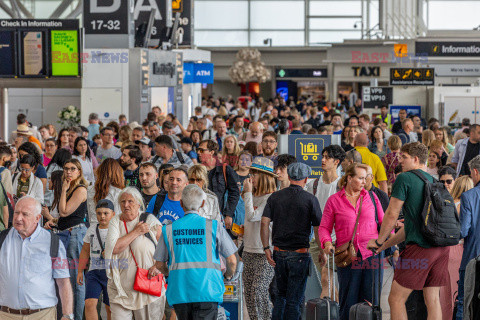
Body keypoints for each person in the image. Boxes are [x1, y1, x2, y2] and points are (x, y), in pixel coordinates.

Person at [368, 142, 449, 320]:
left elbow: (391, 214)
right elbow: (409, 228)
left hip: (419, 248)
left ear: (416, 159)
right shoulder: (434, 181)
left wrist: (379, 240)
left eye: (404, 157)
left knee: (396, 299)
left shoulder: (405, 178)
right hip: (441, 247)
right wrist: (385, 246)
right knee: (433, 300)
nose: (400, 161)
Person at [151, 184, 238, 320]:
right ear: (203, 203)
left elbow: (159, 264)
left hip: (180, 292)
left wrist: (170, 274)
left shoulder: (168, 229)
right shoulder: (214, 226)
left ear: (181, 203)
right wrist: (227, 276)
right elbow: (232, 260)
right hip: (208, 291)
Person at [320, 163, 385, 320]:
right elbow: (324, 228)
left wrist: (391, 243)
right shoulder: (334, 200)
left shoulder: (372, 197)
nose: (364, 182)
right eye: (360, 178)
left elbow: (384, 222)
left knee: (371, 302)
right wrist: (327, 243)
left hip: (372, 255)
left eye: (366, 178)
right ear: (349, 178)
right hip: (348, 257)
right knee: (348, 301)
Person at [261, 162, 325, 320]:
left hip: (278, 253)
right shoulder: (310, 199)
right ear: (306, 179)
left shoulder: (275, 197)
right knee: (294, 300)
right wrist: (322, 251)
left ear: (289, 177)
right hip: (300, 255)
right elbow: (318, 228)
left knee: (280, 297)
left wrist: (266, 248)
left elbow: (264, 222)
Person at [0, 196, 74, 320]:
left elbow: (63, 282)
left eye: (25, 214)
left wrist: (67, 315)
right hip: (6, 315)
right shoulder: (2, 239)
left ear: (37, 218)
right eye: (17, 212)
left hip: (42, 315)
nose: (18, 218)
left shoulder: (53, 242)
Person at [104, 187, 166, 319]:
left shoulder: (148, 219)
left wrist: (157, 266)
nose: (126, 205)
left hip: (147, 287)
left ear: (138, 204)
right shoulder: (115, 222)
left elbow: (165, 246)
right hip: (120, 290)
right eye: (123, 201)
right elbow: (114, 248)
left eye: (130, 201)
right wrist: (136, 232)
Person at [305, 145, 344, 298]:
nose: (322, 160)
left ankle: (332, 311)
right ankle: (336, 311)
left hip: (337, 241)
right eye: (323, 156)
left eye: (327, 157)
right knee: (326, 281)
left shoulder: (342, 186)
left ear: (336, 162)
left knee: (326, 279)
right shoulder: (313, 185)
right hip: (317, 241)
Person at [438, 175, 472, 320]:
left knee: (446, 294)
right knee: (459, 293)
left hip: (447, 249)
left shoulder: (449, 203)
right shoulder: (466, 204)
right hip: (461, 250)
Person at [77, 199, 115, 320]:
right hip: (94, 272)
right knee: (89, 304)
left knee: (110, 308)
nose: (102, 216)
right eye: (99, 213)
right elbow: (85, 250)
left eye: (105, 213)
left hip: (111, 273)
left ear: (113, 214)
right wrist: (79, 271)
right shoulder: (92, 229)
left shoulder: (116, 230)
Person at [456, 155, 480, 320]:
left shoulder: (469, 196)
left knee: (465, 303)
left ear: (476, 172)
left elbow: (463, 230)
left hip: (473, 259)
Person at [197, 139, 239, 230]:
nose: (198, 153)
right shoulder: (197, 170)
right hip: (200, 216)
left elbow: (234, 192)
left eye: (201, 150)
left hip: (220, 217)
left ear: (211, 152)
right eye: (198, 150)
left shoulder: (224, 169)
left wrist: (229, 214)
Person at [87, 159, 125, 224]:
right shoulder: (118, 192)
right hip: (111, 230)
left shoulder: (90, 190)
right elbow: (118, 217)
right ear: (118, 174)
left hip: (93, 228)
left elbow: (90, 215)